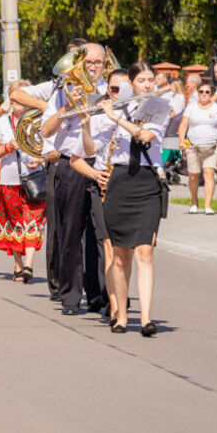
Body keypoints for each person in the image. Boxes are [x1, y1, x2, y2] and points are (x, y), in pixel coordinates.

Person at [8, 37, 93, 302]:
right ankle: (58, 283)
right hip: (60, 161)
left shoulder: (97, 87)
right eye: (73, 60)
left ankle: (89, 285)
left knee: (90, 229)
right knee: (58, 227)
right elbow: (15, 94)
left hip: (90, 160)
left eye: (83, 61)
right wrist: (46, 107)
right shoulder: (56, 86)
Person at [99, 62, 168, 337]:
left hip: (147, 181)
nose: (148, 84)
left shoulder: (159, 108)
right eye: (142, 80)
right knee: (119, 255)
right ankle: (122, 316)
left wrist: (116, 119)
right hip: (120, 182)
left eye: (151, 79)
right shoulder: (115, 106)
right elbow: (95, 145)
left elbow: (146, 135)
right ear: (131, 83)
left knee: (145, 252)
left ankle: (147, 318)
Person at [40, 42, 110, 315]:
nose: (93, 68)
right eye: (88, 63)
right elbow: (45, 131)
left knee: (100, 235)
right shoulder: (62, 92)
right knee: (70, 232)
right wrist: (66, 108)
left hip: (101, 164)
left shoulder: (109, 91)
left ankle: (99, 294)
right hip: (71, 165)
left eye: (97, 63)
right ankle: (70, 296)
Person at [72, 68, 129, 319]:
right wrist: (95, 174)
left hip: (130, 186)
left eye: (125, 89)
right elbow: (77, 158)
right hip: (103, 184)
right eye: (115, 89)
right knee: (108, 246)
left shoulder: (140, 115)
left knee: (124, 249)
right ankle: (113, 303)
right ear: (108, 90)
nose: (119, 94)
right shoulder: (97, 117)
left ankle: (119, 298)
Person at [0, 80, 46, 281]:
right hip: (9, 180)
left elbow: (51, 148)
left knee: (33, 221)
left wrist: (41, 158)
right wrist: (7, 148)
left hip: (34, 178)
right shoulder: (1, 122)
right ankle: (18, 265)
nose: (18, 101)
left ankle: (28, 265)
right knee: (13, 225)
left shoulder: (40, 119)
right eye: (14, 96)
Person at [178, 81, 217, 214]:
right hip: (192, 146)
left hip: (212, 147)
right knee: (193, 175)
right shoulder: (191, 107)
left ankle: (208, 205)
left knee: (209, 173)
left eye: (207, 92)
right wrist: (182, 140)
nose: (204, 94)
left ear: (211, 94)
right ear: (197, 93)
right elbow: (183, 125)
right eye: (201, 92)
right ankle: (194, 201)